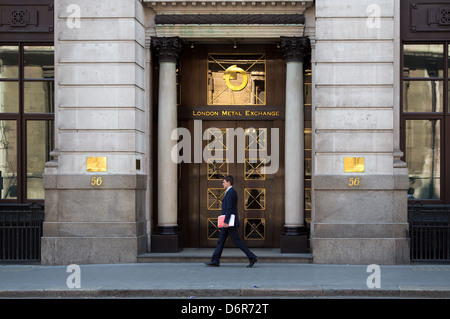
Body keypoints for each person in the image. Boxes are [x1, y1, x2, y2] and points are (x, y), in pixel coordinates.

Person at [205, 175, 258, 267]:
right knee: (221, 241)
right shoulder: (229, 192)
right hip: (227, 222)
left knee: (236, 241)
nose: (222, 183)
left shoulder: (231, 193)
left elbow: (229, 209)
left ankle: (252, 257)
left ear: (228, 182)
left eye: (223, 182)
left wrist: (225, 221)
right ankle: (215, 260)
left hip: (228, 223)